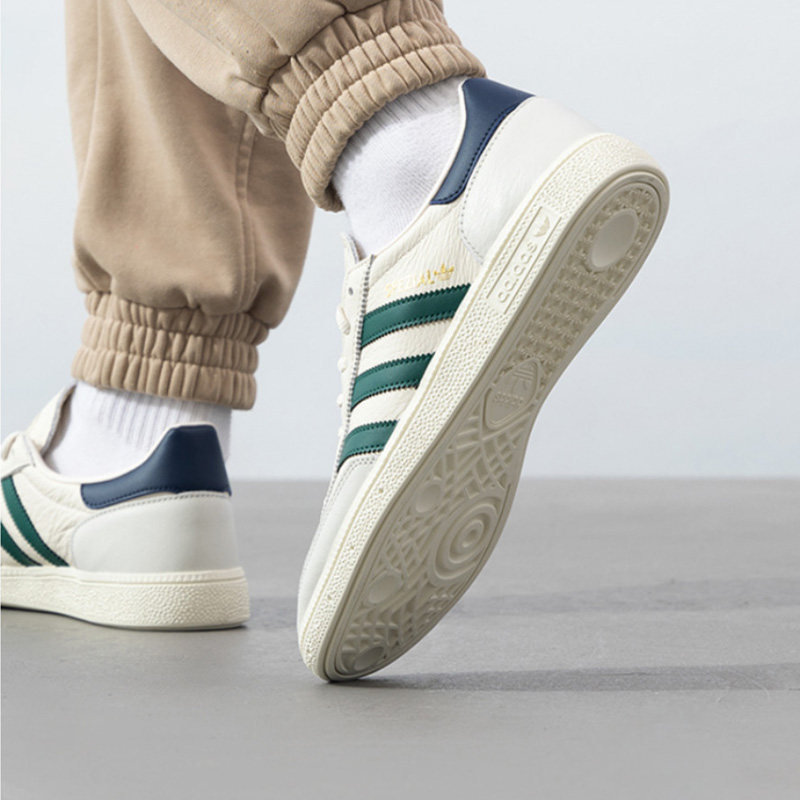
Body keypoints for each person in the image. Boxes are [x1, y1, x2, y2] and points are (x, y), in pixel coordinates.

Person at [0, 0, 668, 680]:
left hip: (419, 136)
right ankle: (136, 431)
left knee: (370, 98)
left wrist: (363, 70)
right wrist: (159, 347)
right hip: (156, 351)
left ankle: (419, 160)